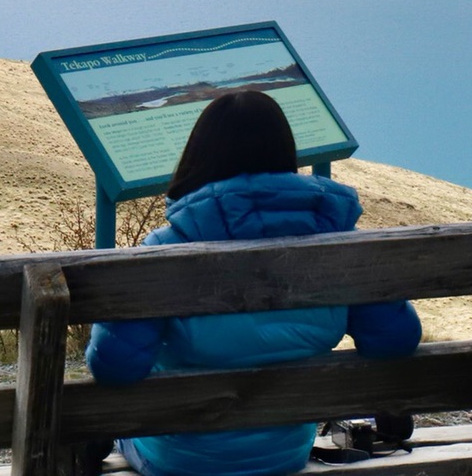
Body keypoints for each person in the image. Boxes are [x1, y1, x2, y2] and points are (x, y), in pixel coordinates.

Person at [84, 90, 422, 476]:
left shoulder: (166, 249)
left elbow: (114, 368)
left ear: (200, 155)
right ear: (284, 152)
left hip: (182, 461)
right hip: (283, 455)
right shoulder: (340, 245)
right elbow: (395, 341)